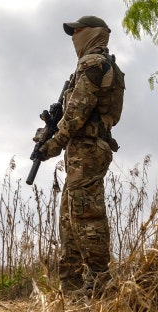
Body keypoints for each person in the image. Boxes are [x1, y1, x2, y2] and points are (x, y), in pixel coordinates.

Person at [38, 15, 124, 296]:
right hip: (83, 151)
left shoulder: (93, 63)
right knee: (69, 217)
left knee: (86, 217)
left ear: (94, 33)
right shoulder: (101, 64)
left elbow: (77, 113)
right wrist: (50, 132)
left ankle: (101, 284)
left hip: (87, 149)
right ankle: (72, 287)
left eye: (78, 31)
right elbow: (71, 113)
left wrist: (54, 143)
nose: (75, 37)